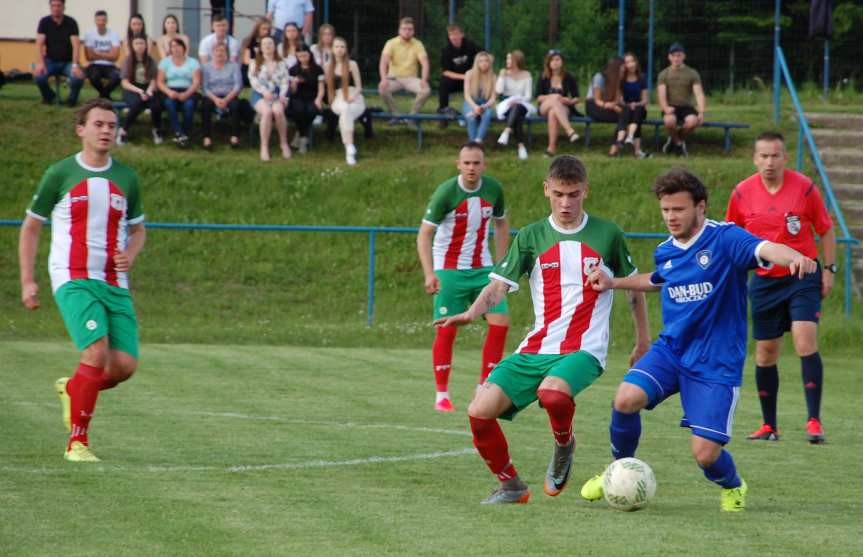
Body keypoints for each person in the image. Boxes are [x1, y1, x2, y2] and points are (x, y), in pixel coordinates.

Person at [579, 168, 818, 512]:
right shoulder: (666, 249)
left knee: (705, 454)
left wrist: (793, 256)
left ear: (701, 207)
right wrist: (614, 282)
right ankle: (617, 471)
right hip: (672, 349)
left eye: (679, 209)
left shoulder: (725, 239)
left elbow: (766, 248)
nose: (671, 217)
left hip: (715, 362)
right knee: (625, 398)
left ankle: (733, 485)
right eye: (665, 210)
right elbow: (660, 278)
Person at [436, 155, 651, 504]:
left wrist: (643, 340)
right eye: (559, 194)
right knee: (479, 409)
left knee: (552, 393)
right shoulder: (532, 236)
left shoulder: (608, 234)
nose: (566, 203)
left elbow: (634, 288)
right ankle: (512, 486)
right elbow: (497, 287)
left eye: (574, 194)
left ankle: (564, 443)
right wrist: (470, 313)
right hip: (537, 347)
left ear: (586, 192)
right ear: (546, 190)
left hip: (584, 349)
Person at [18, 98, 147, 463]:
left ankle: (73, 388)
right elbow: (30, 229)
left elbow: (139, 231)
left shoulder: (126, 178)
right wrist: (28, 281)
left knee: (123, 366)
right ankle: (77, 443)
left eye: (111, 125)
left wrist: (131, 254)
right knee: (95, 351)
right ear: (81, 130)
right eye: (99, 124)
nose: (106, 130)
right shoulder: (60, 174)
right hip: (73, 277)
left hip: (114, 281)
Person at [725, 131, 836, 444]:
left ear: (785, 157)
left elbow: (826, 230)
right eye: (763, 156)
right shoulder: (742, 193)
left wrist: (829, 270)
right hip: (763, 282)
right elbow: (731, 238)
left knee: (804, 339)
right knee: (765, 352)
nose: (769, 162)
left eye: (775, 155)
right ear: (755, 159)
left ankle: (814, 421)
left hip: (803, 276)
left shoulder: (804, 188)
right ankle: (769, 426)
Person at [417, 142, 510, 412]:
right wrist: (429, 273)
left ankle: (484, 388)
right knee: (446, 327)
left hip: (484, 269)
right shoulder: (446, 192)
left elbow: (502, 223)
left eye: (476, 162)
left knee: (501, 321)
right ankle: (441, 395)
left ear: (484, 165)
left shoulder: (493, 189)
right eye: (466, 162)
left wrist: (503, 267)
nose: (471, 167)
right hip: (450, 270)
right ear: (458, 165)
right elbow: (424, 234)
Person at [378, 17, 431, 126]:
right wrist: (383, 79)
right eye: (404, 29)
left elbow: (425, 64)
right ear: (399, 30)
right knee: (382, 88)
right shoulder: (391, 43)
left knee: (426, 90)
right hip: (394, 78)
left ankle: (411, 117)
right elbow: (383, 63)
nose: (407, 32)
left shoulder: (418, 44)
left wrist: (424, 80)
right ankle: (396, 115)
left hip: (411, 79)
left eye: (410, 29)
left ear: (413, 31)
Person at [657, 43, 705, 157]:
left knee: (693, 122)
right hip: (671, 106)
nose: (676, 58)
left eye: (679, 55)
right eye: (673, 55)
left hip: (686, 107)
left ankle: (675, 139)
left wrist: (702, 112)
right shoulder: (664, 74)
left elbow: (699, 94)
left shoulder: (692, 73)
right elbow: (661, 95)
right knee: (669, 121)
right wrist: (665, 108)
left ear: (684, 56)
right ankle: (679, 144)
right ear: (669, 57)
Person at [248, 36, 291, 162]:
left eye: (270, 43)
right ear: (260, 47)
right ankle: (264, 147)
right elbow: (253, 80)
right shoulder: (254, 63)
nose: (267, 46)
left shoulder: (281, 63)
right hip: (260, 94)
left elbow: (285, 81)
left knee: (278, 111)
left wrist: (283, 95)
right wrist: (264, 91)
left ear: (274, 46)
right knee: (267, 112)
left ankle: (283, 143)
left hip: (277, 94)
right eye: (265, 44)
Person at [35, 0, 84, 106]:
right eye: (53, 6)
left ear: (63, 7)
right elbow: (39, 44)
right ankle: (49, 97)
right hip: (51, 61)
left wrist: (75, 65)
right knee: (39, 76)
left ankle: (71, 101)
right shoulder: (44, 22)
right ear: (50, 7)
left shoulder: (71, 22)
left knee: (78, 77)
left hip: (68, 62)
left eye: (59, 5)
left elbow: (76, 45)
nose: (56, 8)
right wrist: (41, 63)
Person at [117, 35, 163, 146]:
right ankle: (123, 131)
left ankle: (156, 130)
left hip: (148, 87)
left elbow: (153, 80)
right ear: (132, 46)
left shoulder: (150, 60)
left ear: (146, 45)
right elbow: (125, 82)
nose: (139, 46)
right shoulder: (128, 60)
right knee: (137, 103)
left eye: (141, 43)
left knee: (156, 105)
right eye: (136, 43)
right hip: (132, 88)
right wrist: (139, 92)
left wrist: (148, 91)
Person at [326, 37, 365, 166]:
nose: (339, 49)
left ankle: (349, 148)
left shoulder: (352, 64)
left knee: (346, 111)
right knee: (344, 109)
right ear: (332, 49)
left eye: (342, 47)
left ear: (346, 49)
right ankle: (349, 147)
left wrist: (353, 96)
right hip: (338, 98)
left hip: (354, 96)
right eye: (336, 47)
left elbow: (359, 86)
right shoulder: (328, 66)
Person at [535, 50, 581, 157]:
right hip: (544, 107)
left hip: (563, 107)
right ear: (548, 63)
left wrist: (569, 101)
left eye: (557, 59)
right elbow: (538, 98)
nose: (555, 62)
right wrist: (552, 97)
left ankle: (551, 148)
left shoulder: (569, 77)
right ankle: (569, 130)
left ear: (562, 62)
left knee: (553, 113)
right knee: (554, 102)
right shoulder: (543, 77)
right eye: (552, 60)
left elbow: (576, 97)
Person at [156, 38, 201, 147]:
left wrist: (186, 94)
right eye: (173, 46)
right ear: (170, 49)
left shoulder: (193, 62)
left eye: (178, 45)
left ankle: (183, 133)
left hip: (188, 90)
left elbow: (196, 82)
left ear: (184, 47)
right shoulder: (165, 62)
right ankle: (179, 133)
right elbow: (160, 82)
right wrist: (169, 92)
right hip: (170, 90)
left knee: (189, 105)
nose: (176, 48)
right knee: (169, 103)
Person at [200, 42, 243, 150]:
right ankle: (207, 137)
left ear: (227, 53)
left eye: (222, 51)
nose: (220, 53)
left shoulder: (234, 66)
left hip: (229, 94)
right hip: (212, 96)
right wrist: (215, 99)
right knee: (205, 106)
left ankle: (235, 137)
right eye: (217, 50)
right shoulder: (205, 67)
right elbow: (204, 87)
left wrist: (226, 99)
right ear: (212, 53)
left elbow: (238, 85)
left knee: (236, 106)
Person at [495, 50, 535, 160]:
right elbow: (498, 91)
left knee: (517, 108)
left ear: (517, 61)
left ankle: (507, 131)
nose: (507, 61)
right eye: (507, 59)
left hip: (522, 104)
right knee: (517, 116)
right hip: (507, 104)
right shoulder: (504, 73)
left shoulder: (527, 75)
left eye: (510, 59)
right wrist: (502, 76)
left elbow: (528, 95)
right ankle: (521, 146)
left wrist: (518, 100)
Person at [438, 24, 480, 124]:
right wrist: (464, 77)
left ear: (462, 35)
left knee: (479, 84)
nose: (453, 37)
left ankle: (478, 113)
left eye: (456, 34)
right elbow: (446, 72)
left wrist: (475, 73)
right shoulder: (446, 50)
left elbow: (486, 56)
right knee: (444, 83)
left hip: (471, 80)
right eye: (450, 35)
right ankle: (443, 114)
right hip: (457, 81)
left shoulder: (471, 46)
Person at [585, 57, 625, 157]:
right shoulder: (600, 77)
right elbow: (597, 100)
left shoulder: (618, 80)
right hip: (594, 106)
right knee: (625, 115)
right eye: (622, 68)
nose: (624, 71)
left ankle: (615, 146)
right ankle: (616, 146)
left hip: (607, 106)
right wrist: (610, 106)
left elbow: (616, 100)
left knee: (626, 113)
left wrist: (614, 105)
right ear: (616, 69)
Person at [288, 44, 324, 154]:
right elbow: (292, 92)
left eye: (305, 56)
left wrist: (318, 99)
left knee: (311, 111)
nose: (303, 59)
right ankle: (304, 139)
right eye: (300, 56)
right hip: (297, 97)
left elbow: (321, 88)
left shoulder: (318, 69)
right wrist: (294, 83)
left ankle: (299, 133)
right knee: (299, 110)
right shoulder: (293, 70)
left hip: (312, 97)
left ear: (310, 54)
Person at [82, 10, 122, 100]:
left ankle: (102, 96)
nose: (101, 23)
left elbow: (115, 57)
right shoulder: (89, 34)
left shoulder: (114, 34)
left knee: (117, 76)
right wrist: (108, 54)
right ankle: (105, 96)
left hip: (110, 65)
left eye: (103, 20)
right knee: (93, 76)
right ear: (95, 21)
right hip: (94, 64)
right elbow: (89, 56)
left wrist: (98, 53)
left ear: (106, 21)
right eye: (98, 20)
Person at [617, 52, 650, 159]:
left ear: (636, 62)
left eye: (632, 61)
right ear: (624, 65)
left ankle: (628, 137)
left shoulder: (642, 78)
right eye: (627, 62)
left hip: (639, 107)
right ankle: (636, 150)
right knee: (628, 111)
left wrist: (636, 104)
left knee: (638, 110)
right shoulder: (621, 80)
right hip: (626, 109)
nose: (631, 64)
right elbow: (620, 100)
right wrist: (627, 104)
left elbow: (645, 100)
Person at [462, 52, 497, 143]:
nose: (484, 63)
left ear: (489, 63)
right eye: (480, 61)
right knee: (471, 116)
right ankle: (472, 142)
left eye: (486, 61)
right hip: (471, 102)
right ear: (476, 63)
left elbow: (493, 98)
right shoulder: (469, 74)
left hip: (485, 103)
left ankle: (478, 141)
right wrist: (475, 107)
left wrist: (483, 107)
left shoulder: (492, 76)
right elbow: (467, 95)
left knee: (487, 114)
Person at [242, 18, 272, 87]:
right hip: (251, 69)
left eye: (268, 29)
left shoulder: (271, 41)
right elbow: (246, 61)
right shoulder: (249, 41)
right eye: (263, 29)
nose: (266, 32)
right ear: (257, 29)